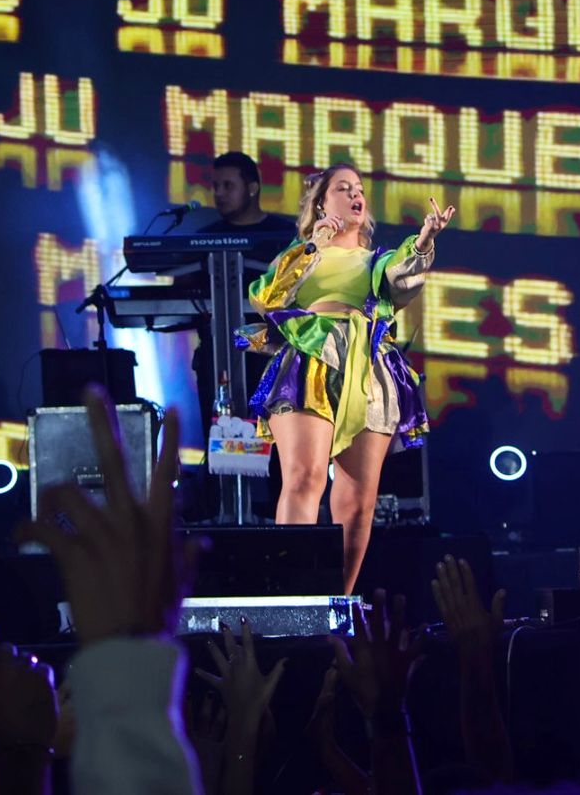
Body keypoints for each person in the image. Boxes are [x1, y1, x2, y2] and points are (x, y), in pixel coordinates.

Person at [240, 164, 454, 591]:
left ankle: (338, 599)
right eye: (343, 188)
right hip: (309, 363)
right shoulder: (301, 254)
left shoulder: (376, 261)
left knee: (358, 502)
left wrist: (425, 240)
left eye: (359, 189)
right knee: (305, 477)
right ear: (321, 203)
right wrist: (314, 244)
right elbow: (266, 297)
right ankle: (295, 600)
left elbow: (401, 278)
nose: (356, 195)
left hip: (367, 370)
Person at [190, 152, 296, 429]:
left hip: (274, 356)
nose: (219, 194)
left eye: (228, 186)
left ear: (252, 189)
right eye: (215, 186)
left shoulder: (286, 236)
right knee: (221, 439)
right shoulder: (202, 239)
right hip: (217, 358)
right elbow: (184, 296)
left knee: (274, 443)